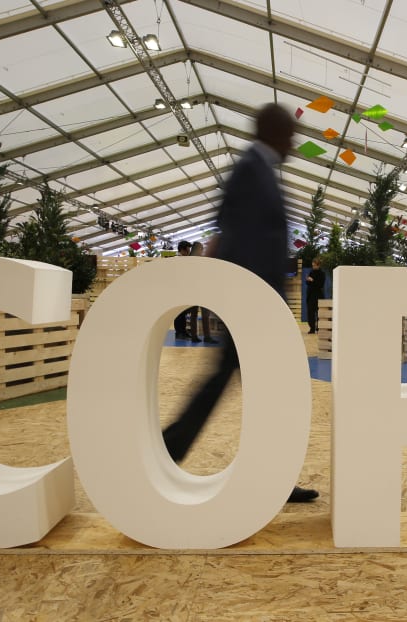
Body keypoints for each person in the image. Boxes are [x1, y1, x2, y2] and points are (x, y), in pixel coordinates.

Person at [162, 103, 318, 503]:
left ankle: (179, 447)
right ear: (274, 132)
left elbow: (228, 226)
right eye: (290, 135)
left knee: (258, 387)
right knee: (254, 385)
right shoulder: (252, 170)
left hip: (254, 302)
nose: (294, 144)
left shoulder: (256, 169)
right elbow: (240, 238)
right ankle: (171, 446)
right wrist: (253, 298)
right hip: (250, 303)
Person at [186, 241, 219, 344]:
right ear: (198, 249)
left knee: (194, 315)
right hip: (202, 291)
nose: (202, 250)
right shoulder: (201, 261)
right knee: (204, 315)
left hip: (192, 291)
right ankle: (206, 336)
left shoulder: (188, 261)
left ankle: (195, 336)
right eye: (201, 249)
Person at [173, 241, 194, 339]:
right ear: (182, 250)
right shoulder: (177, 260)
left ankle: (183, 331)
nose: (189, 252)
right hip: (178, 290)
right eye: (188, 249)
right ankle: (179, 332)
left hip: (183, 289)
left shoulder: (184, 260)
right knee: (178, 313)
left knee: (183, 312)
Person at [305, 257, 325, 334]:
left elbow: (320, 285)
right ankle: (312, 328)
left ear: (318, 265)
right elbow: (308, 283)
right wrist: (308, 280)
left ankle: (319, 328)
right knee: (310, 313)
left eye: (314, 265)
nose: (313, 267)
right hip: (310, 296)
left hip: (318, 296)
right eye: (312, 265)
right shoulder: (311, 272)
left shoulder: (322, 274)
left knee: (319, 313)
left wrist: (312, 280)